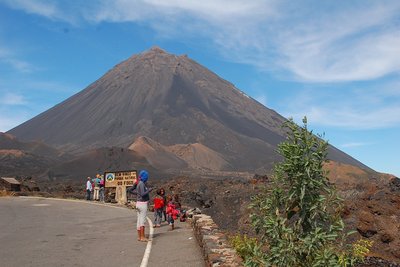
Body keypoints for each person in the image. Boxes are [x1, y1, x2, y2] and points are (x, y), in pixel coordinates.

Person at [136, 170, 153, 242]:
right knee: (142, 220)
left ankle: (139, 236)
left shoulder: (139, 183)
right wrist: (149, 190)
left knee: (139, 221)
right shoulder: (142, 184)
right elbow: (143, 194)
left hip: (138, 203)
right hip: (142, 204)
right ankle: (143, 237)